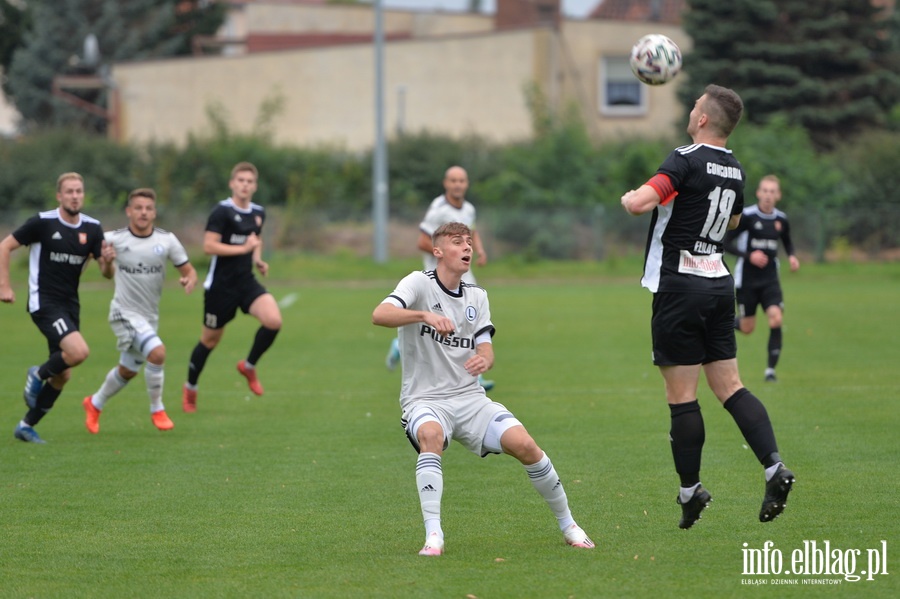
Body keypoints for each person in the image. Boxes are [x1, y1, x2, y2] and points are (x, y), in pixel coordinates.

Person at [620, 85, 795, 529]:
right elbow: (733, 220)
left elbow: (641, 203)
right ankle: (774, 467)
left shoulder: (684, 159)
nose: (692, 107)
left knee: (682, 396)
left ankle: (690, 490)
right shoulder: (735, 169)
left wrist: (631, 197)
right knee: (731, 387)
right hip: (718, 285)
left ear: (702, 119)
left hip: (680, 288)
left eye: (696, 103)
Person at [372, 222, 593, 556]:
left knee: (526, 445)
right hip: (425, 401)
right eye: (458, 242)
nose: (467, 248)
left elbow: (485, 346)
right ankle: (434, 537)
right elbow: (380, 314)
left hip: (471, 401)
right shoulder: (418, 283)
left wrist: (485, 360)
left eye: (469, 242)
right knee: (430, 437)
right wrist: (423, 316)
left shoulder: (477, 296)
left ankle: (570, 525)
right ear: (438, 252)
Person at [0, 172, 111, 443]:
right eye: (69, 191)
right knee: (79, 351)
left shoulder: (93, 228)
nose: (75, 196)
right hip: (44, 301)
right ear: (59, 196)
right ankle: (37, 373)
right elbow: (4, 246)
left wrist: (108, 261)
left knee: (63, 374)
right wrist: (4, 286)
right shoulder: (42, 222)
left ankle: (26, 425)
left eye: (79, 191)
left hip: (70, 305)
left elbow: (107, 273)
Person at [82, 188, 198, 433]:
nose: (143, 212)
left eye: (148, 208)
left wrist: (189, 279)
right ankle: (157, 409)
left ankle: (94, 403)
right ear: (129, 211)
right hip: (123, 313)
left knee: (128, 370)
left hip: (149, 317)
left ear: (154, 213)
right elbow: (106, 273)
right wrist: (108, 261)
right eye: (138, 208)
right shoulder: (113, 239)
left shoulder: (166, 241)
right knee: (157, 352)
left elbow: (188, 270)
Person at [182, 162, 282, 412]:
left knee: (273, 321)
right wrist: (244, 250)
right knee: (210, 340)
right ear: (232, 184)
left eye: (249, 181)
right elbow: (209, 246)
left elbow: (254, 240)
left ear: (255, 186)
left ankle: (249, 366)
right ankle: (190, 389)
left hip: (246, 282)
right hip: (220, 287)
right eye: (241, 180)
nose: (245, 185)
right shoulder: (221, 212)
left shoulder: (258, 212)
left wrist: (257, 259)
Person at [384, 165, 493, 390]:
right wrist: (445, 255)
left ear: (467, 184)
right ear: (445, 183)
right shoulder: (438, 209)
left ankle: (474, 375)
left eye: (461, 181)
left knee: (467, 319)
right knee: (440, 324)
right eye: (453, 181)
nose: (457, 185)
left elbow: (472, 232)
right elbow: (422, 241)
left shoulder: (469, 209)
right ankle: (400, 345)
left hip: (463, 274)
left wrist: (480, 250)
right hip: (440, 279)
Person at [724, 175, 800, 382]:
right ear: (758, 193)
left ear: (778, 195)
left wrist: (792, 256)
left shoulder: (781, 220)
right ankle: (719, 322)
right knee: (748, 328)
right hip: (747, 280)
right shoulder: (747, 216)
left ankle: (770, 371)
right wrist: (750, 256)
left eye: (772, 191)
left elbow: (787, 242)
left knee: (776, 318)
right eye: (764, 191)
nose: (768, 195)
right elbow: (726, 243)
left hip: (770, 280)